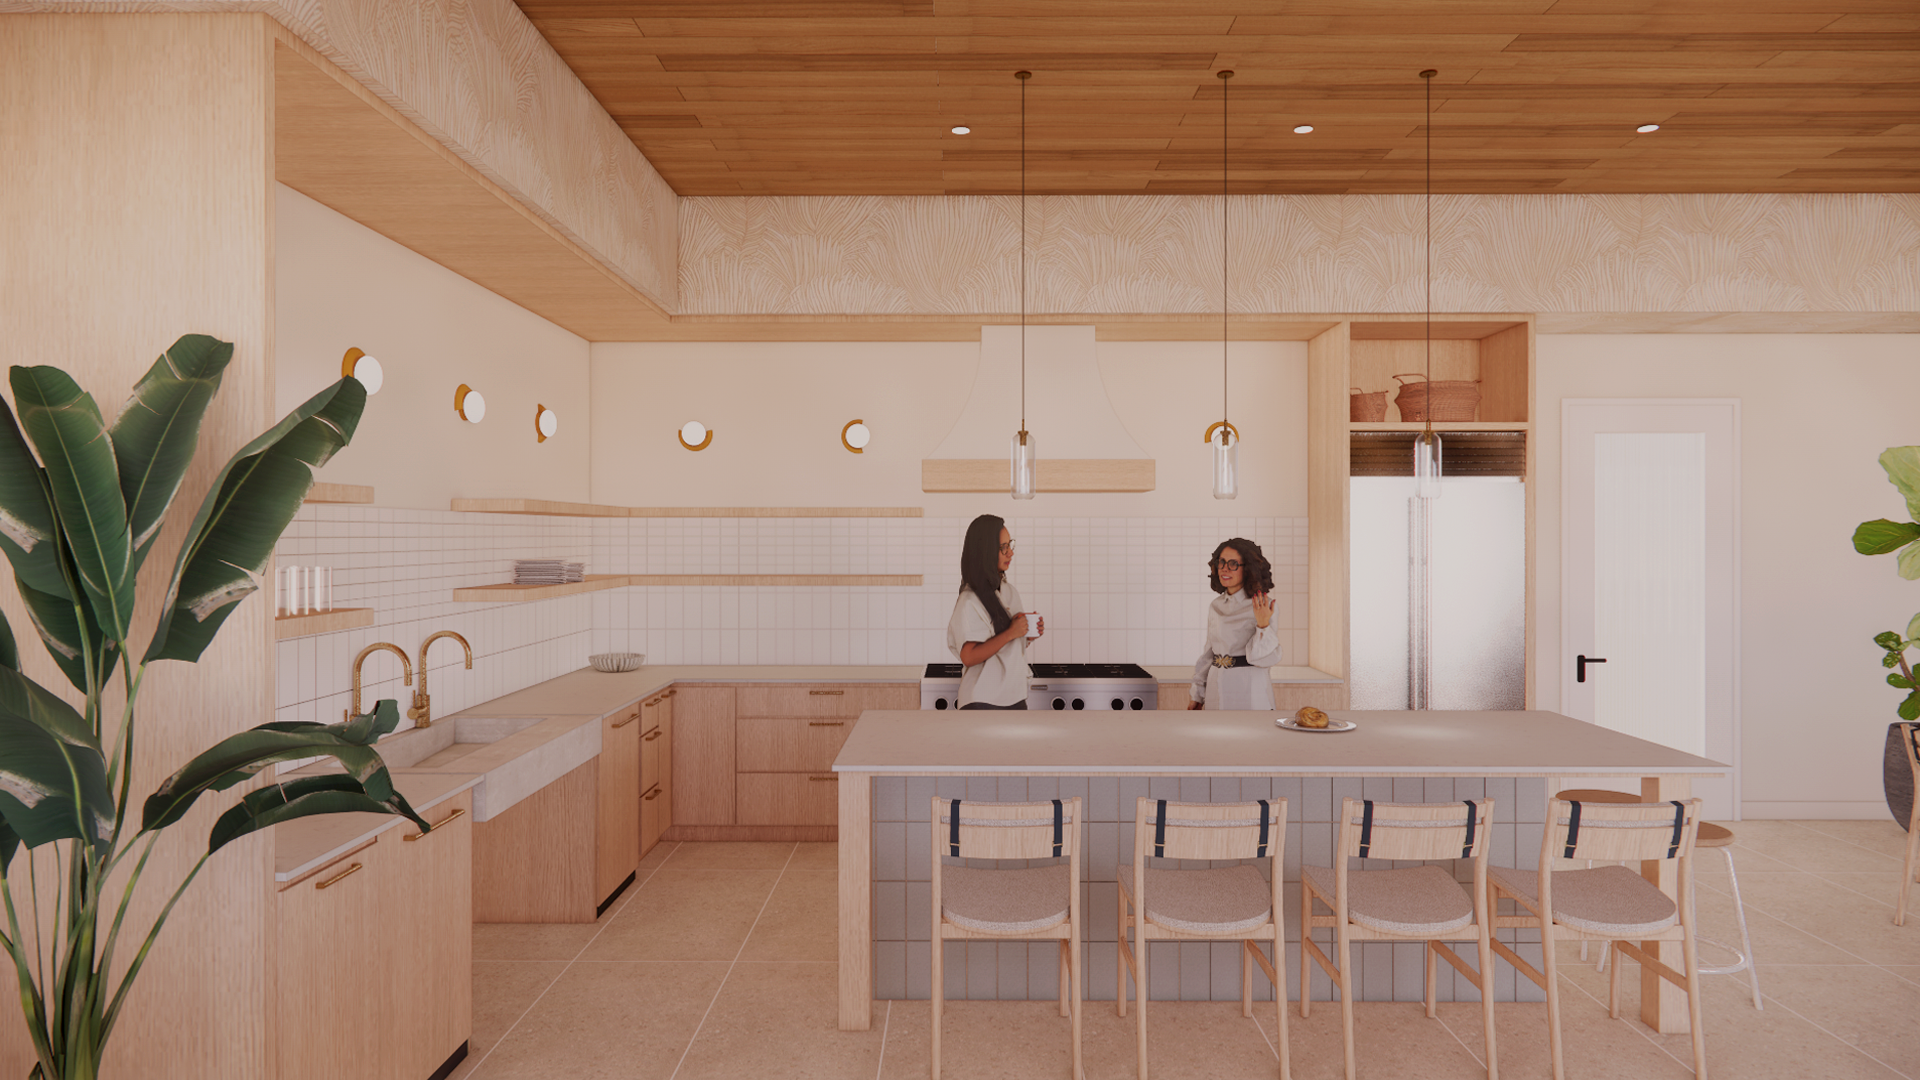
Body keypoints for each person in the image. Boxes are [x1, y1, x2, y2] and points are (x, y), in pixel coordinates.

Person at [947, 514, 1043, 709]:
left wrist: (1026, 634)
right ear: (986, 551)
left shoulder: (1009, 591)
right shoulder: (969, 601)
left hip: (1014, 696)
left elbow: (1004, 643)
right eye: (1003, 548)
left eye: (1010, 545)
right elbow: (969, 656)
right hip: (983, 700)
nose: (1010, 554)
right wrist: (1011, 633)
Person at [1188, 537, 1282, 710]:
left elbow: (1264, 658)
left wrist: (1263, 626)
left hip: (1250, 689)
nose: (1225, 568)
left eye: (1233, 564)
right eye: (1221, 562)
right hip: (1216, 686)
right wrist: (1197, 694)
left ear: (1248, 569)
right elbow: (1209, 654)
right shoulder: (1215, 606)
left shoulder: (1263, 605)